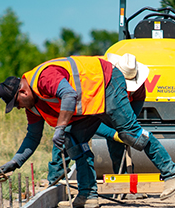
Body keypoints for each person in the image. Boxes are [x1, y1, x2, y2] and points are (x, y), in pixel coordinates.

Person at [0, 54, 175, 208]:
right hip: (90, 103)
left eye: (17, 104)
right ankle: (88, 194)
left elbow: (69, 94)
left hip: (107, 83)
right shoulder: (33, 106)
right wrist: (15, 162)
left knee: (130, 134)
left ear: (22, 92)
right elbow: (33, 136)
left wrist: (60, 127)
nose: (19, 108)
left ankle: (172, 173)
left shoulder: (44, 78)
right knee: (73, 140)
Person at [45, 53, 147, 185]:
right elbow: (94, 118)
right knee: (67, 136)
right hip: (89, 109)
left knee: (120, 141)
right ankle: (56, 177)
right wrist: (114, 134)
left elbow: (131, 117)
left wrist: (125, 132)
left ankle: (124, 181)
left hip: (113, 113)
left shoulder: (138, 88)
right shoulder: (100, 79)